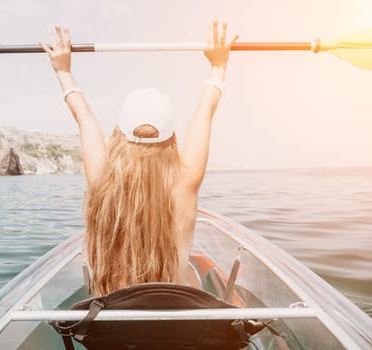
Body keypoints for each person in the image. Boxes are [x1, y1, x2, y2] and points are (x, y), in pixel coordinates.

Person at [41, 20, 238, 297]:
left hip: (114, 328)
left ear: (119, 134)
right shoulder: (185, 183)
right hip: (175, 320)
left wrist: (63, 70)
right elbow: (205, 109)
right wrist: (218, 65)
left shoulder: (102, 179)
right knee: (195, 273)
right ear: (171, 139)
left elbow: (83, 117)